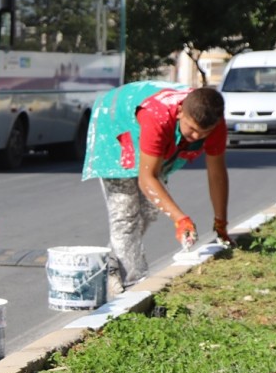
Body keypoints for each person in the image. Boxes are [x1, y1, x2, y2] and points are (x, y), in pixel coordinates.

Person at [82, 82, 231, 293]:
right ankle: (133, 286)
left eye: (203, 132)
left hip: (151, 124)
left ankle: (110, 262)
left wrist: (221, 222)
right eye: (192, 129)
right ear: (180, 112)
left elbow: (217, 174)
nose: (196, 137)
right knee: (125, 214)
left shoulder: (214, 122)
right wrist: (181, 219)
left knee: (150, 211)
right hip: (117, 124)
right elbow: (146, 179)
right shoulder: (157, 117)